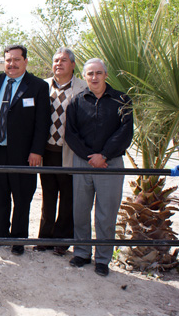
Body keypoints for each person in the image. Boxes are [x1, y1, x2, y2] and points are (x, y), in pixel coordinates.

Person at [65, 58, 133, 276]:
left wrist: (103, 155)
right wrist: (89, 156)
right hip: (82, 162)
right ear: (84, 76)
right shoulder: (77, 101)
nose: (94, 77)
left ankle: (103, 259)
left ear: (105, 74)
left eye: (98, 73)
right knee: (80, 210)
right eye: (90, 74)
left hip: (110, 164)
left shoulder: (122, 100)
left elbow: (125, 132)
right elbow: (70, 134)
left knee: (106, 213)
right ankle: (82, 253)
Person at [0, 44, 51, 255]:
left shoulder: (37, 86)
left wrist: (37, 151)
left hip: (25, 154)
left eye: (16, 60)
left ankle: (18, 238)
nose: (11, 64)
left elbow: (43, 122)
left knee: (22, 197)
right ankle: (0, 235)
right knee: (1, 195)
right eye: (8, 60)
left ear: (25, 61)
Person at [35, 48, 87, 256]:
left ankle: (62, 241)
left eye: (64, 60)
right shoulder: (43, 86)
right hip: (46, 151)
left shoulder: (83, 88)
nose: (59, 64)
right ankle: (44, 238)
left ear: (73, 64)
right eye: (56, 60)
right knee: (48, 196)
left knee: (68, 197)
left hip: (70, 152)